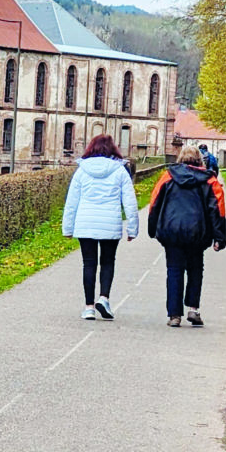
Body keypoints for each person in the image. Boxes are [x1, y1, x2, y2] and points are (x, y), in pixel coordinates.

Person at [61, 131, 140, 319]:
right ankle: (104, 298)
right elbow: (129, 201)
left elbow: (72, 201)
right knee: (107, 262)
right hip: (110, 221)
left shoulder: (81, 171)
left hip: (85, 221)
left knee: (88, 264)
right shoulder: (120, 170)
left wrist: (68, 227)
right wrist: (132, 228)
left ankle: (88, 307)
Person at [148, 142, 225, 327]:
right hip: (198, 233)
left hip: (172, 231)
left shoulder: (168, 176)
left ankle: (174, 315)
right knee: (195, 269)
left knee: (174, 270)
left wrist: (152, 229)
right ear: (200, 160)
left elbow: (154, 202)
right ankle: (193, 309)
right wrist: (219, 237)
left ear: (180, 158)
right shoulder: (209, 180)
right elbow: (217, 209)